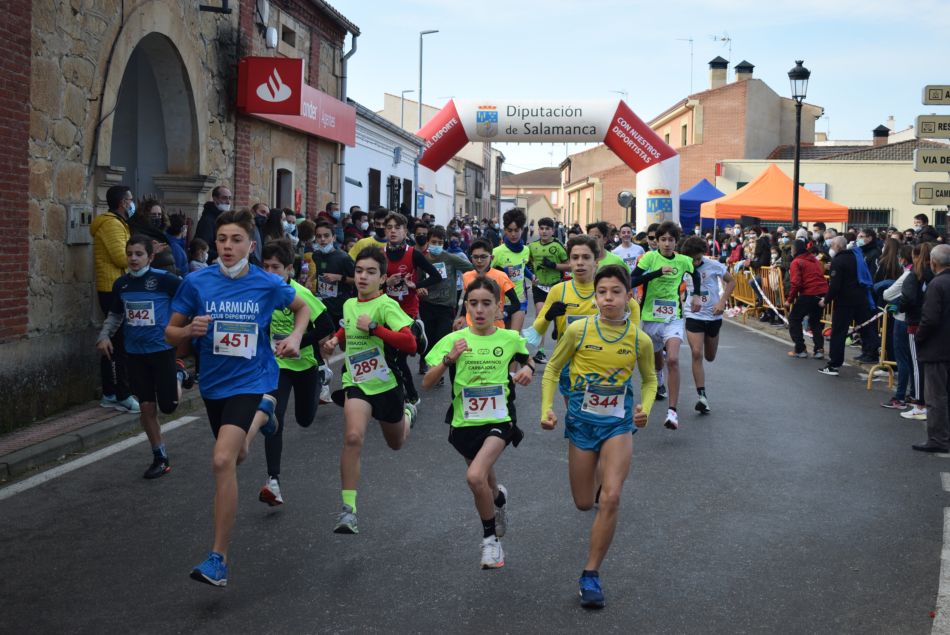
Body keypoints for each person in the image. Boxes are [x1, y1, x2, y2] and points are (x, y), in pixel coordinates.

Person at [166, 209, 311, 587]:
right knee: (238, 455)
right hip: (214, 385)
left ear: (250, 244)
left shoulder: (267, 284)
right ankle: (265, 413)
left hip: (253, 378)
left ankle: (218, 559)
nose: (227, 247)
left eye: (235, 240)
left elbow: (302, 307)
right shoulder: (197, 283)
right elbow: (169, 332)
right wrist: (187, 331)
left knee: (221, 459)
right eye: (221, 240)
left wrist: (294, 338)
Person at [540, 265, 656, 609]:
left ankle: (591, 574)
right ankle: (599, 488)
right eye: (602, 292)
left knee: (612, 496)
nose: (608, 298)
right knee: (583, 502)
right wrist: (547, 408)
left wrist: (645, 409)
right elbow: (552, 368)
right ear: (595, 295)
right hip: (581, 423)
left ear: (628, 296)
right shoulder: (578, 330)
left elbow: (649, 380)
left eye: (616, 292)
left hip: (618, 423)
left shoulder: (640, 339)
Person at [422, 276, 535, 568]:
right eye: (473, 304)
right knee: (483, 480)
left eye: (487, 304)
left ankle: (491, 543)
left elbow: (528, 359)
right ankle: (498, 500)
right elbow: (426, 382)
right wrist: (449, 359)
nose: (480, 310)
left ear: (499, 308)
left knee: (474, 477)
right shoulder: (453, 340)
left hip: (499, 420)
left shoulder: (509, 338)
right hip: (464, 423)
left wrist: (527, 371)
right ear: (467, 307)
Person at [319, 247, 419, 534]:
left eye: (370, 272)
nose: (363, 276)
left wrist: (375, 327)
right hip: (357, 382)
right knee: (353, 437)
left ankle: (408, 414)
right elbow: (348, 329)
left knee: (396, 443)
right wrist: (333, 342)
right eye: (359, 271)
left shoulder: (387, 306)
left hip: (386, 385)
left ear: (383, 278)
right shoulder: (350, 305)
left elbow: (410, 344)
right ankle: (348, 510)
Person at [96, 235, 192, 478]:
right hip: (135, 353)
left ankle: (179, 373)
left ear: (150, 257)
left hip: (162, 350)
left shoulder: (165, 280)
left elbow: (188, 299)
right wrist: (104, 336)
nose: (133, 259)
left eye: (139, 254)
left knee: (169, 407)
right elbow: (115, 315)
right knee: (147, 407)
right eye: (129, 254)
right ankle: (159, 455)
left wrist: (183, 329)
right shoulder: (121, 284)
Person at [250, 239, 335, 505]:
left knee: (305, 419)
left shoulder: (301, 294)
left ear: (289, 269)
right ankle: (273, 481)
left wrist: (298, 341)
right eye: (265, 266)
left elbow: (326, 326)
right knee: (272, 417)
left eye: (276, 267)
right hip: (276, 367)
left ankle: (321, 377)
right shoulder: (259, 294)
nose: (269, 272)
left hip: (305, 365)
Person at [630, 221, 702, 430]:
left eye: (671, 240)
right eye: (663, 239)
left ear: (676, 242)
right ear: (657, 241)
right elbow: (632, 281)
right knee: (656, 360)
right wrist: (657, 273)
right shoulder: (649, 258)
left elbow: (695, 274)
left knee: (672, 359)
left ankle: (672, 412)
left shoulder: (683, 261)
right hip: (651, 318)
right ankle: (659, 377)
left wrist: (696, 295)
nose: (667, 244)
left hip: (673, 318)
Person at [382, 212, 441, 405]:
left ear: (405, 231)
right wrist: (385, 283)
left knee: (398, 358)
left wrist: (416, 284)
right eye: (389, 227)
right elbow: (370, 282)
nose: (393, 231)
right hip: (385, 310)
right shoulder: (379, 254)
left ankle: (411, 396)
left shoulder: (412, 254)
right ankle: (401, 393)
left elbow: (436, 276)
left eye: (397, 228)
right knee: (389, 357)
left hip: (407, 310)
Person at [91, 185, 138, 413]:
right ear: (122, 203)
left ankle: (110, 392)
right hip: (112, 288)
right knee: (120, 343)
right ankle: (122, 394)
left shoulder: (118, 223)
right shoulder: (111, 224)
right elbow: (122, 257)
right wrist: (145, 255)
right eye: (130, 199)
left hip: (114, 286)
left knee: (112, 339)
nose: (132, 203)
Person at [680, 236, 735, 414]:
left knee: (710, 357)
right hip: (693, 315)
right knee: (696, 353)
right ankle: (702, 397)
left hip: (713, 316)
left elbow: (731, 281)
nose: (695, 262)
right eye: (692, 259)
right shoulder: (683, 265)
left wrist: (722, 302)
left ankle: (702, 395)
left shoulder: (713, 265)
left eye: (698, 258)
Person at [818, 236, 881, 376]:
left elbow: (835, 285)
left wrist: (826, 300)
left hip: (844, 302)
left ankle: (834, 364)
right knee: (866, 328)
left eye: (832, 245)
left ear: (837, 246)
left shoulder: (838, 261)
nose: (831, 247)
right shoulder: (855, 257)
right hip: (860, 298)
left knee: (838, 333)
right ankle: (874, 355)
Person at [418, 226, 474, 378]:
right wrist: (419, 289)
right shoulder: (421, 259)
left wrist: (467, 282)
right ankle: (426, 360)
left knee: (442, 339)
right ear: (428, 242)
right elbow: (416, 280)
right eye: (434, 242)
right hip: (427, 305)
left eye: (440, 243)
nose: (436, 245)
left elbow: (471, 268)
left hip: (446, 306)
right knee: (429, 338)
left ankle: (438, 371)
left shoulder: (449, 258)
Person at [911, 244, 950, 452]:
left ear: (934, 263)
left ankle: (938, 439)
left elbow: (930, 318)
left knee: (935, 397)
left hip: (937, 347)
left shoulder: (937, 285)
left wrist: (919, 337)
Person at [899, 242, 935, 419]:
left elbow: (908, 298)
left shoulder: (915, 275)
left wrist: (900, 307)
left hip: (916, 322)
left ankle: (920, 404)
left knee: (917, 364)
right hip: (934, 323)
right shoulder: (937, 274)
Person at [527, 216, 569, 363]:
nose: (544, 231)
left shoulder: (558, 246)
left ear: (553, 231)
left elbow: (569, 265)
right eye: (542, 228)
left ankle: (559, 350)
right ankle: (541, 351)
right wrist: (531, 272)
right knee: (541, 315)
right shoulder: (532, 247)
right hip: (539, 286)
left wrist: (553, 265)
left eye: (547, 229)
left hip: (555, 286)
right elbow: (526, 262)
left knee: (558, 319)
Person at [457, 239, 521, 330]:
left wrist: (504, 313)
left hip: (495, 330)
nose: (479, 261)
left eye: (483, 257)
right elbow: (467, 300)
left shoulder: (501, 276)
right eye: (475, 257)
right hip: (473, 330)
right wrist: (463, 316)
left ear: (491, 258)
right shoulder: (466, 276)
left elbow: (516, 303)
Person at [882, 245, 916, 409]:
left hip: (903, 319)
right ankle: (914, 394)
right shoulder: (918, 273)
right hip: (912, 320)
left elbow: (887, 294)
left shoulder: (909, 275)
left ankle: (900, 397)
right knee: (912, 361)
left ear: (903, 258)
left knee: (903, 359)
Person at [305, 219, 355, 328]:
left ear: (334, 238)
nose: (322, 239)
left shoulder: (344, 258)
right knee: (323, 339)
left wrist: (339, 277)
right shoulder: (316, 255)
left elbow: (357, 280)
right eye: (319, 236)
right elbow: (319, 271)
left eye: (326, 236)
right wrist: (309, 280)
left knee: (340, 340)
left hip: (340, 307)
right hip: (322, 305)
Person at [784, 239, 829, 359]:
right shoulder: (814, 260)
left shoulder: (796, 262)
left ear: (795, 250)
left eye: (792, 249)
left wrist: (789, 300)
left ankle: (800, 349)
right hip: (822, 293)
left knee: (794, 319)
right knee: (815, 322)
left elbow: (796, 283)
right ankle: (819, 349)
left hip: (809, 293)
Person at [492, 208, 533, 332]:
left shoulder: (526, 250)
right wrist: (502, 272)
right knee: (502, 337)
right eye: (510, 231)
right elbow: (487, 273)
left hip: (519, 298)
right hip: (501, 300)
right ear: (505, 230)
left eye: (516, 230)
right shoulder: (497, 252)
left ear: (522, 230)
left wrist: (531, 276)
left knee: (514, 337)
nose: (513, 234)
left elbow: (522, 266)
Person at [194, 185, 232, 262]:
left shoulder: (223, 218)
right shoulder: (207, 220)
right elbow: (203, 247)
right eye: (224, 198)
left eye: (229, 198)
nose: (228, 202)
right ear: (215, 199)